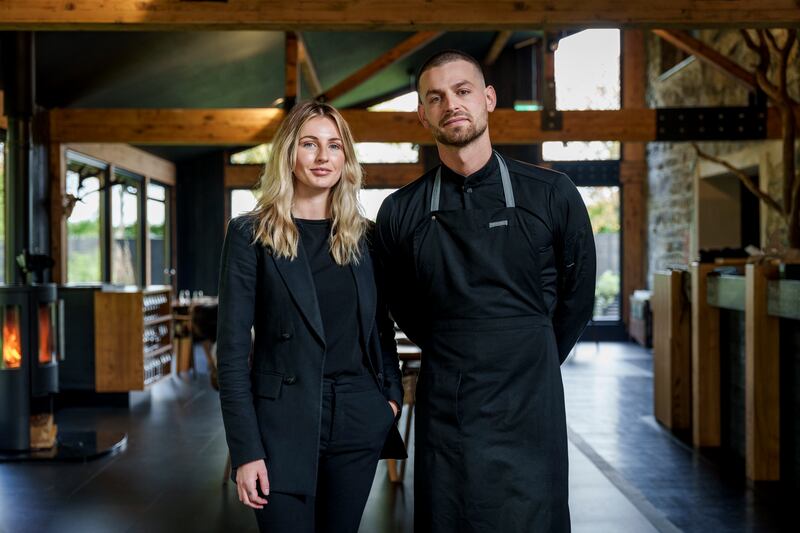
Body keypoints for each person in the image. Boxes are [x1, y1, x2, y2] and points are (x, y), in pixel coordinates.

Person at [374, 50, 596, 532]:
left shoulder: (553, 194)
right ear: (423, 114)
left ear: (488, 98)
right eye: (435, 97)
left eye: (463, 90)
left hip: (530, 402)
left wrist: (531, 352)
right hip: (448, 401)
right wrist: (460, 341)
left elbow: (578, 299)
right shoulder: (400, 211)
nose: (451, 104)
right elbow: (400, 305)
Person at [217, 101, 406, 533]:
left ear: (346, 158)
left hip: (359, 415)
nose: (323, 157)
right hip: (281, 421)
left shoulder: (366, 237)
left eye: (334, 146)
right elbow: (230, 353)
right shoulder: (250, 234)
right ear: (289, 154)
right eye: (310, 144)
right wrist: (246, 450)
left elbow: (381, 330)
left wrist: (389, 402)